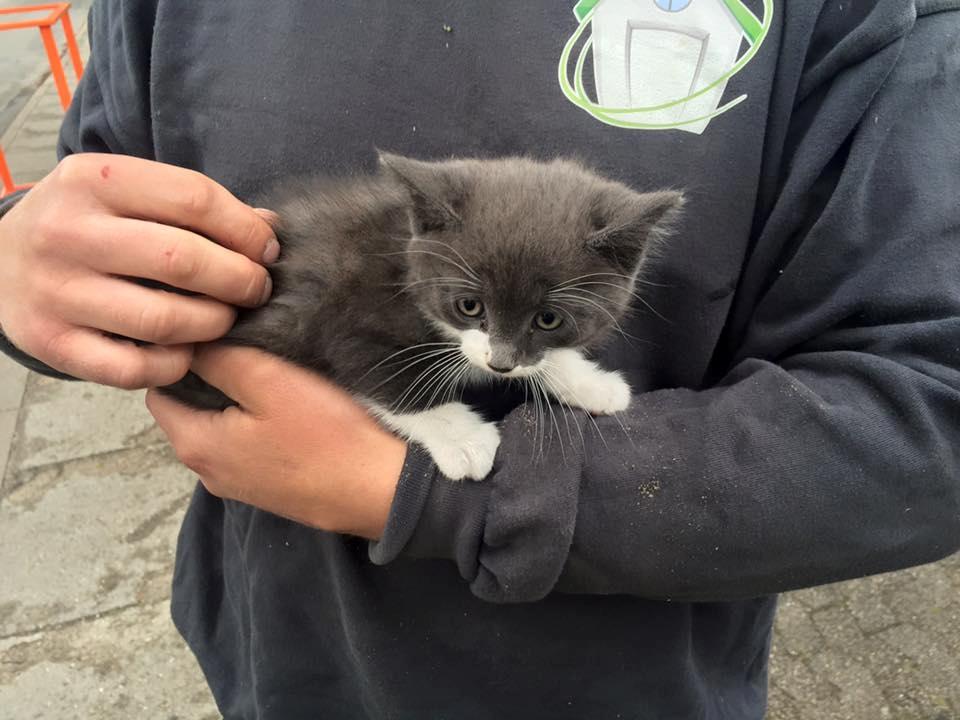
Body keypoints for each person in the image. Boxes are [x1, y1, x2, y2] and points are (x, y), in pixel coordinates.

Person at [1, 1, 958, 718]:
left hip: (619, 684)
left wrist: (435, 493)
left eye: (539, 328)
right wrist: (21, 263)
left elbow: (929, 406)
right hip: (275, 657)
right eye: (471, 312)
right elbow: (100, 199)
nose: (499, 355)